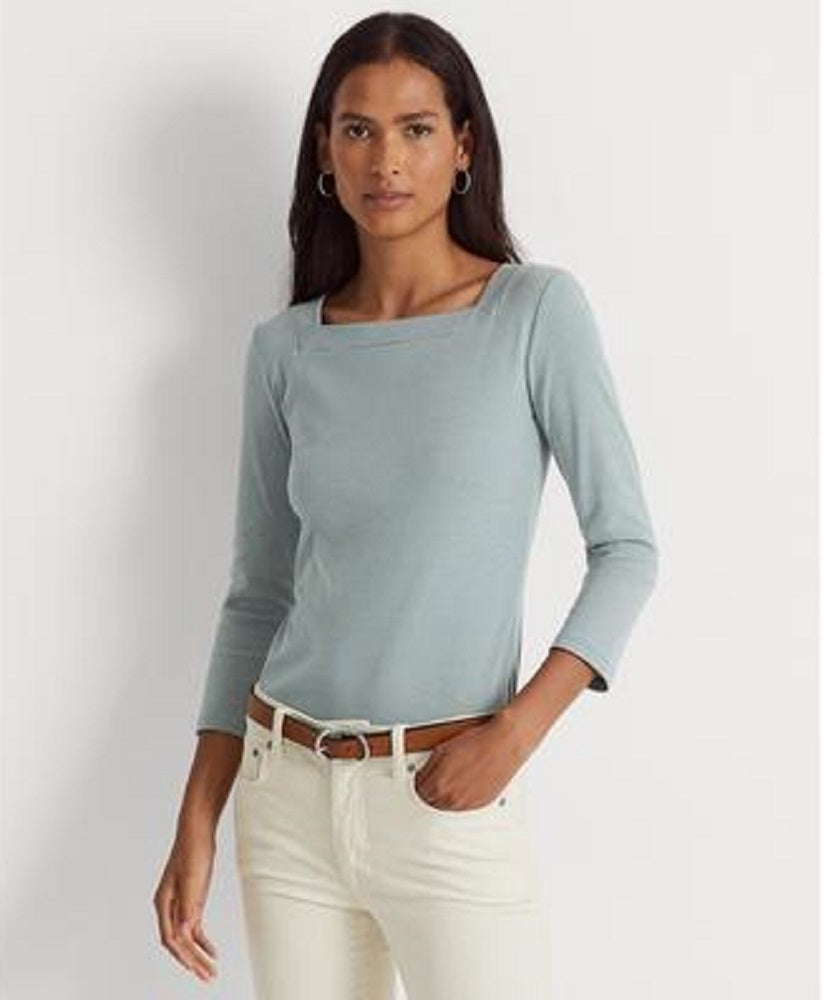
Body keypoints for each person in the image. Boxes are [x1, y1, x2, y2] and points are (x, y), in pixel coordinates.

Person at [152, 11, 659, 999]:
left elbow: (626, 547)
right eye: (358, 129)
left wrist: (514, 733)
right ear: (324, 153)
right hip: (286, 796)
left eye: (415, 129)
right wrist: (197, 816)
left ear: (463, 146)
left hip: (446, 798)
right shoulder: (284, 350)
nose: (385, 159)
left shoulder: (533, 314)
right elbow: (257, 595)